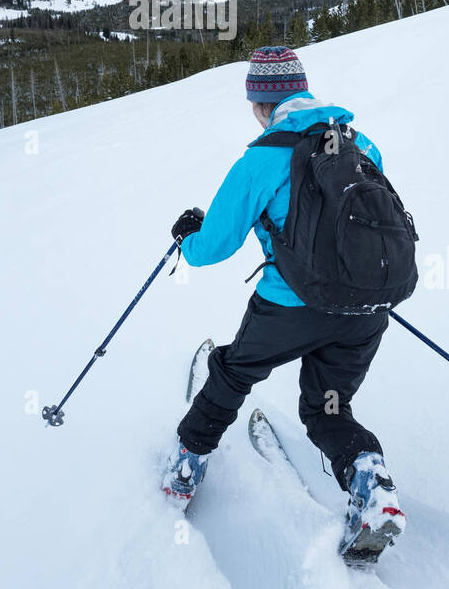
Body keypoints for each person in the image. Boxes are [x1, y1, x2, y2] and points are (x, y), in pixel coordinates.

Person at [162, 45, 405, 558]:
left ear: (259, 104)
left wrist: (188, 236)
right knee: (326, 409)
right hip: (363, 313)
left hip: (288, 309)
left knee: (232, 371)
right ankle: (370, 483)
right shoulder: (363, 146)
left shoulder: (260, 159)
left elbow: (215, 247)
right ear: (303, 90)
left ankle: (187, 465)